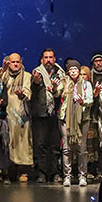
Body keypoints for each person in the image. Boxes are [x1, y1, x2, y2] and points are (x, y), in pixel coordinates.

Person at [0, 51, 34, 182]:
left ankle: (24, 172)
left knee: (23, 142)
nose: (15, 64)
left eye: (18, 62)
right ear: (9, 63)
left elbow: (28, 92)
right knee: (9, 141)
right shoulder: (5, 75)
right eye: (13, 62)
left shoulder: (27, 76)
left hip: (22, 114)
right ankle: (9, 171)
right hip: (8, 114)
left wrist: (22, 94)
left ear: (21, 63)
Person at [30, 48, 65, 183]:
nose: (48, 60)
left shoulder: (60, 73)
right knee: (41, 144)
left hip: (55, 114)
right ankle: (42, 173)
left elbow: (62, 93)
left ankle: (55, 172)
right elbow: (31, 93)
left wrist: (56, 90)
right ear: (41, 60)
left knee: (55, 145)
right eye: (46, 57)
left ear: (54, 59)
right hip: (41, 114)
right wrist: (36, 83)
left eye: (51, 57)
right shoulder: (36, 73)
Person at [57, 59, 92, 186]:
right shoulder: (64, 83)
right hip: (66, 118)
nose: (73, 72)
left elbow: (90, 100)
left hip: (82, 119)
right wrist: (55, 88)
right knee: (66, 149)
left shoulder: (86, 85)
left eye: (75, 69)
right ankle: (67, 175)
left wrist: (82, 101)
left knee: (82, 149)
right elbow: (57, 93)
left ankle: (82, 175)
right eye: (71, 70)